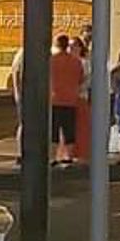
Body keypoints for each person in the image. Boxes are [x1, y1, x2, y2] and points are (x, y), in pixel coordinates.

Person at [50, 33, 84, 165]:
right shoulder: (76, 62)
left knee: (54, 129)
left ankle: (53, 157)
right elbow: (81, 79)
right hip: (71, 99)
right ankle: (68, 156)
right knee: (69, 129)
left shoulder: (51, 60)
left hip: (55, 98)